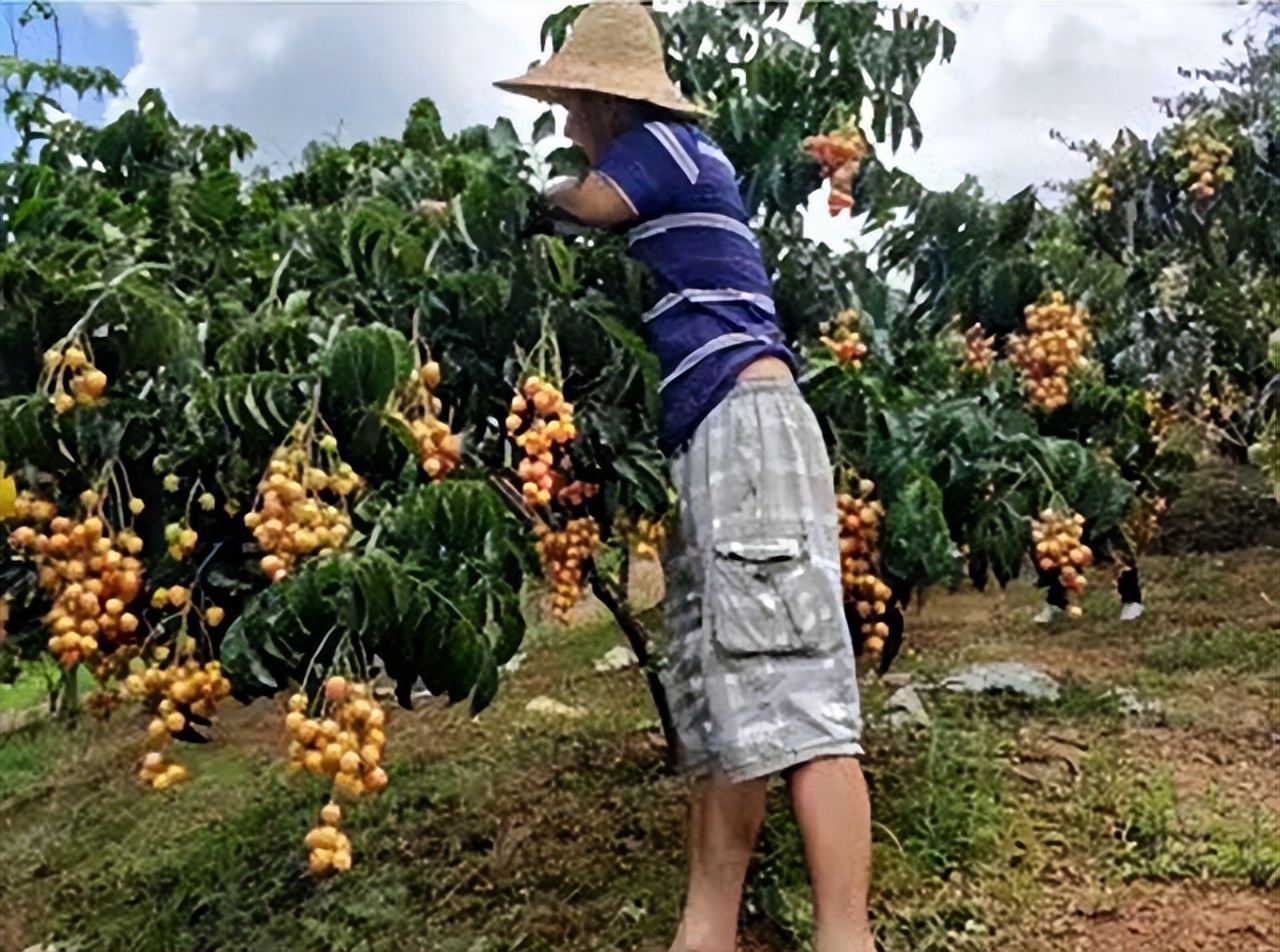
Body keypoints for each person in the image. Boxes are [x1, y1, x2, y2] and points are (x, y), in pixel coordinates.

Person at [495, 4, 875, 951]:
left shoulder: (665, 145)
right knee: (725, 703)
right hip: (721, 439)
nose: (570, 126)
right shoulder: (665, 159)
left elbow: (585, 206)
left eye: (573, 107)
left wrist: (505, 201)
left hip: (750, 432)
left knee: (804, 697)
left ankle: (846, 938)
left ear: (603, 99)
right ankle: (704, 930)